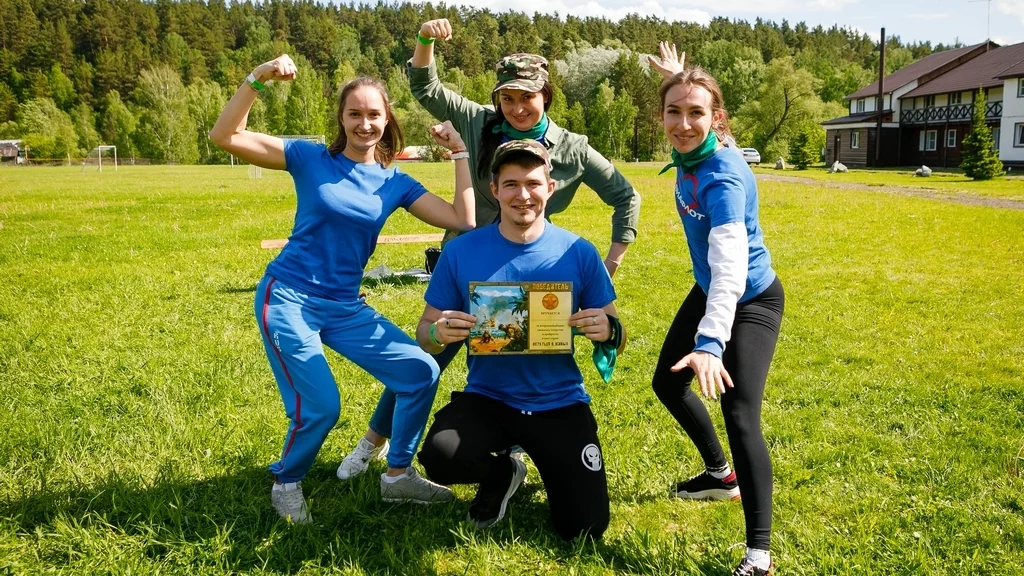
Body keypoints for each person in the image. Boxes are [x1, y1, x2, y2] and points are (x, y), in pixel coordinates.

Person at [336, 17, 642, 482]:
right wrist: (424, 39)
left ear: (546, 96)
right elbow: (424, 85)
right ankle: (372, 444)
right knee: (424, 360)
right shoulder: (478, 121)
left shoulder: (573, 149)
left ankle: (514, 449)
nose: (517, 107)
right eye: (508, 98)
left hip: (530, 272)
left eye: (527, 97)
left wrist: (612, 260)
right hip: (466, 265)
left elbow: (626, 196)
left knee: (522, 365)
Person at [208, 54, 477, 523]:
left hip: (345, 306)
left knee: (420, 371)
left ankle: (398, 475)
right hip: (288, 297)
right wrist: (259, 77)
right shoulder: (309, 157)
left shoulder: (394, 181)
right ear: (341, 118)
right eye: (355, 114)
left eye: (374, 114)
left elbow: (462, 219)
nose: (364, 124)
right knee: (321, 407)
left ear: (387, 120)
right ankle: (287, 482)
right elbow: (224, 136)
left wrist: (460, 153)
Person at [414, 140, 626, 541]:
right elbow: (424, 334)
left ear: (551, 187)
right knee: (441, 456)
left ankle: (555, 461)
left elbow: (618, 333)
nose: (522, 195)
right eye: (510, 184)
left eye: (533, 183)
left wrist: (608, 330)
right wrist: (438, 333)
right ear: (494, 189)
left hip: (558, 402)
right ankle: (501, 472)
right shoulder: (460, 252)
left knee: (584, 528)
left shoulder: (579, 252)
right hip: (489, 399)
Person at [648, 45, 785, 576]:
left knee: (739, 412)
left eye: (696, 113)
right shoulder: (698, 149)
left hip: (750, 297)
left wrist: (710, 343)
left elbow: (729, 268)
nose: (683, 124)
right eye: (673, 111)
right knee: (667, 383)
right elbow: (686, 102)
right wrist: (677, 78)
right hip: (711, 289)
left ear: (717, 120)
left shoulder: (722, 178)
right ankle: (719, 477)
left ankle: (759, 556)